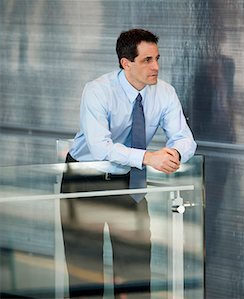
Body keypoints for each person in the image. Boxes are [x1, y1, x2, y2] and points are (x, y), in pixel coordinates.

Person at [60, 28, 197, 298]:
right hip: (85, 182)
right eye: (147, 60)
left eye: (157, 58)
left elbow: (185, 139)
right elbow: (100, 147)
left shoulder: (165, 93)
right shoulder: (98, 91)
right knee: (85, 274)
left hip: (130, 183)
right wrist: (149, 158)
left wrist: (175, 155)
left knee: (135, 272)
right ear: (126, 63)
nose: (156, 66)